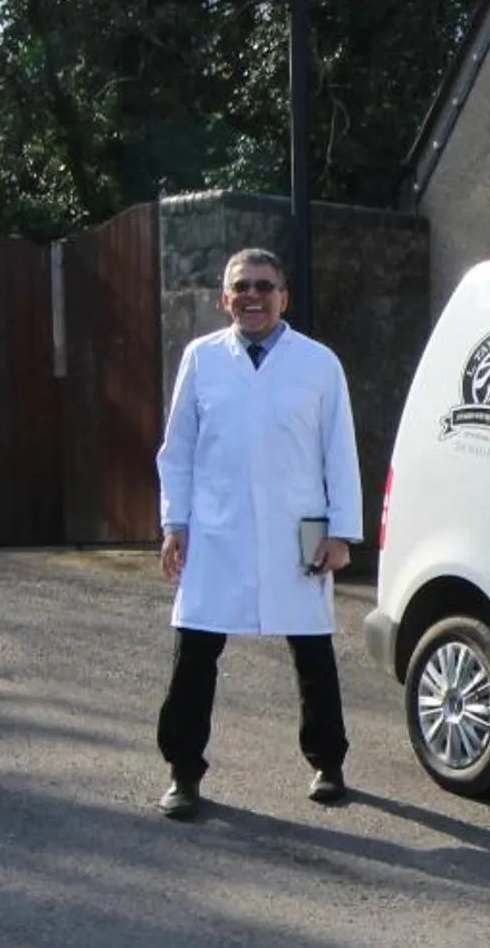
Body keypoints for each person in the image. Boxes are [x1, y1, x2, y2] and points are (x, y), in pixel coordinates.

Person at [151, 246, 361, 819]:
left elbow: (339, 453)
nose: (253, 297)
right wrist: (176, 524)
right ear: (225, 299)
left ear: (283, 297)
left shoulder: (319, 364)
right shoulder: (202, 360)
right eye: (241, 287)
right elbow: (180, 450)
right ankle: (184, 774)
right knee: (194, 653)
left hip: (301, 527)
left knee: (312, 649)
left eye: (264, 287)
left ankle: (328, 762)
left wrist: (340, 532)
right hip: (216, 530)